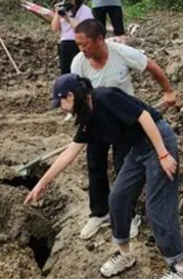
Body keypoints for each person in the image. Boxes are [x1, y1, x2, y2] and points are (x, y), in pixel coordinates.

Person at [25, 74, 183, 279]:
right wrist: (42, 183)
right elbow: (70, 152)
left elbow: (145, 117)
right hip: (138, 148)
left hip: (158, 141)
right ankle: (125, 254)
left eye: (60, 103)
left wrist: (163, 153)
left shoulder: (105, 98)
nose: (61, 108)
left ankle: (179, 268)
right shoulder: (88, 117)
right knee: (118, 198)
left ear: (70, 96)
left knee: (157, 206)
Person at [71, 19, 176, 240]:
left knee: (123, 169)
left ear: (100, 39)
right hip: (97, 122)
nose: (82, 49)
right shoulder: (78, 63)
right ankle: (99, 213)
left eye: (85, 44)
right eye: (78, 45)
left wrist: (167, 90)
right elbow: (77, 97)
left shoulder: (121, 53)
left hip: (124, 122)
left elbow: (151, 66)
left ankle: (128, 216)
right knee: (95, 165)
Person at [51, 0, 94, 74]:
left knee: (79, 71)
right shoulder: (64, 9)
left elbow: (82, 28)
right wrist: (57, 14)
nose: (67, 1)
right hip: (65, 43)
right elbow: (54, 28)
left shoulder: (84, 10)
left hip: (79, 43)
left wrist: (68, 18)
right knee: (65, 71)